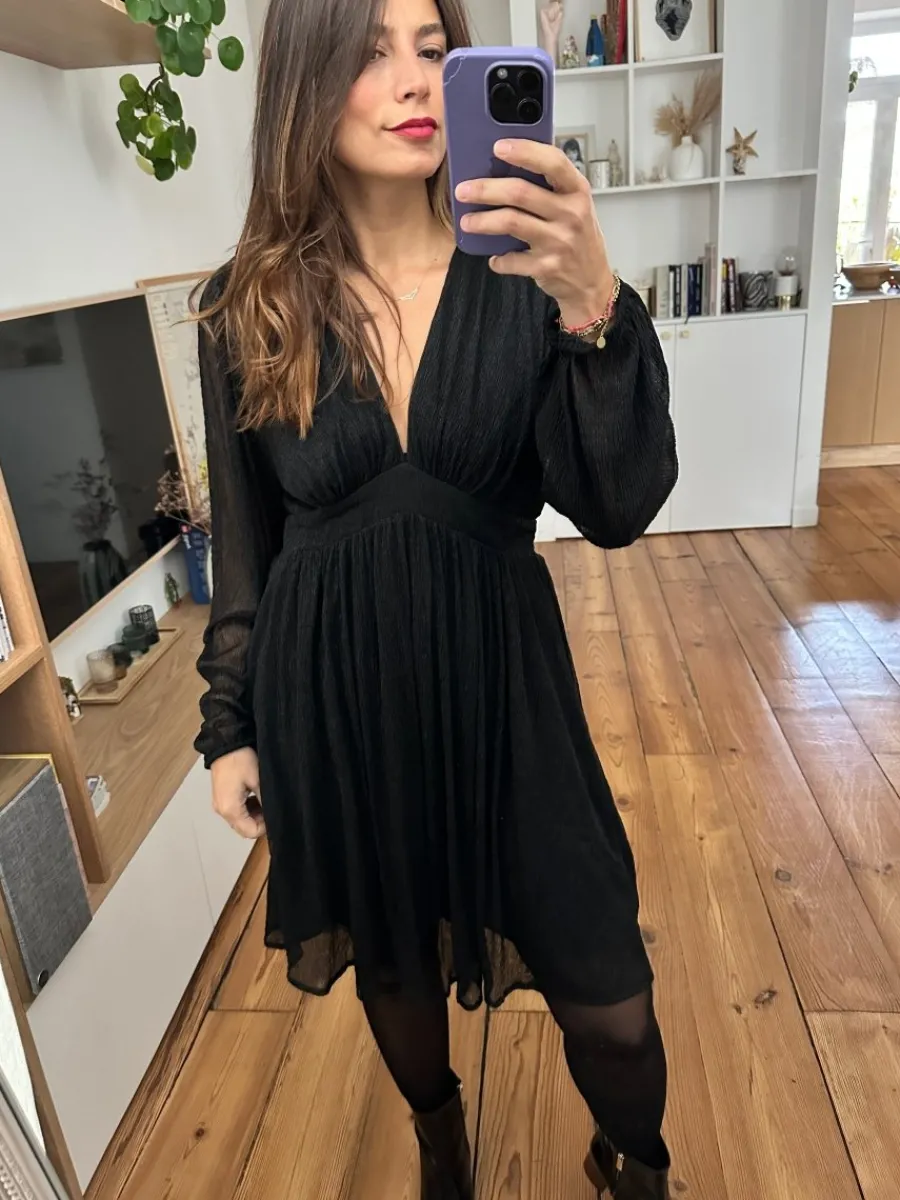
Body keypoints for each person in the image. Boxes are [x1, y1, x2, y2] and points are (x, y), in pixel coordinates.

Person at [194, 0, 677, 1196]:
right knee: (395, 966)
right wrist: (229, 725)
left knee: (612, 1002)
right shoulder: (246, 305)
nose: (413, 80)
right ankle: (440, 1139)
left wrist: (593, 304)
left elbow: (617, 505)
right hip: (336, 692)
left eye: (431, 46)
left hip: (508, 686)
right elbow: (250, 546)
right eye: (370, 52)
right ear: (305, 83)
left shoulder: (523, 274)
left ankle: (636, 1163)